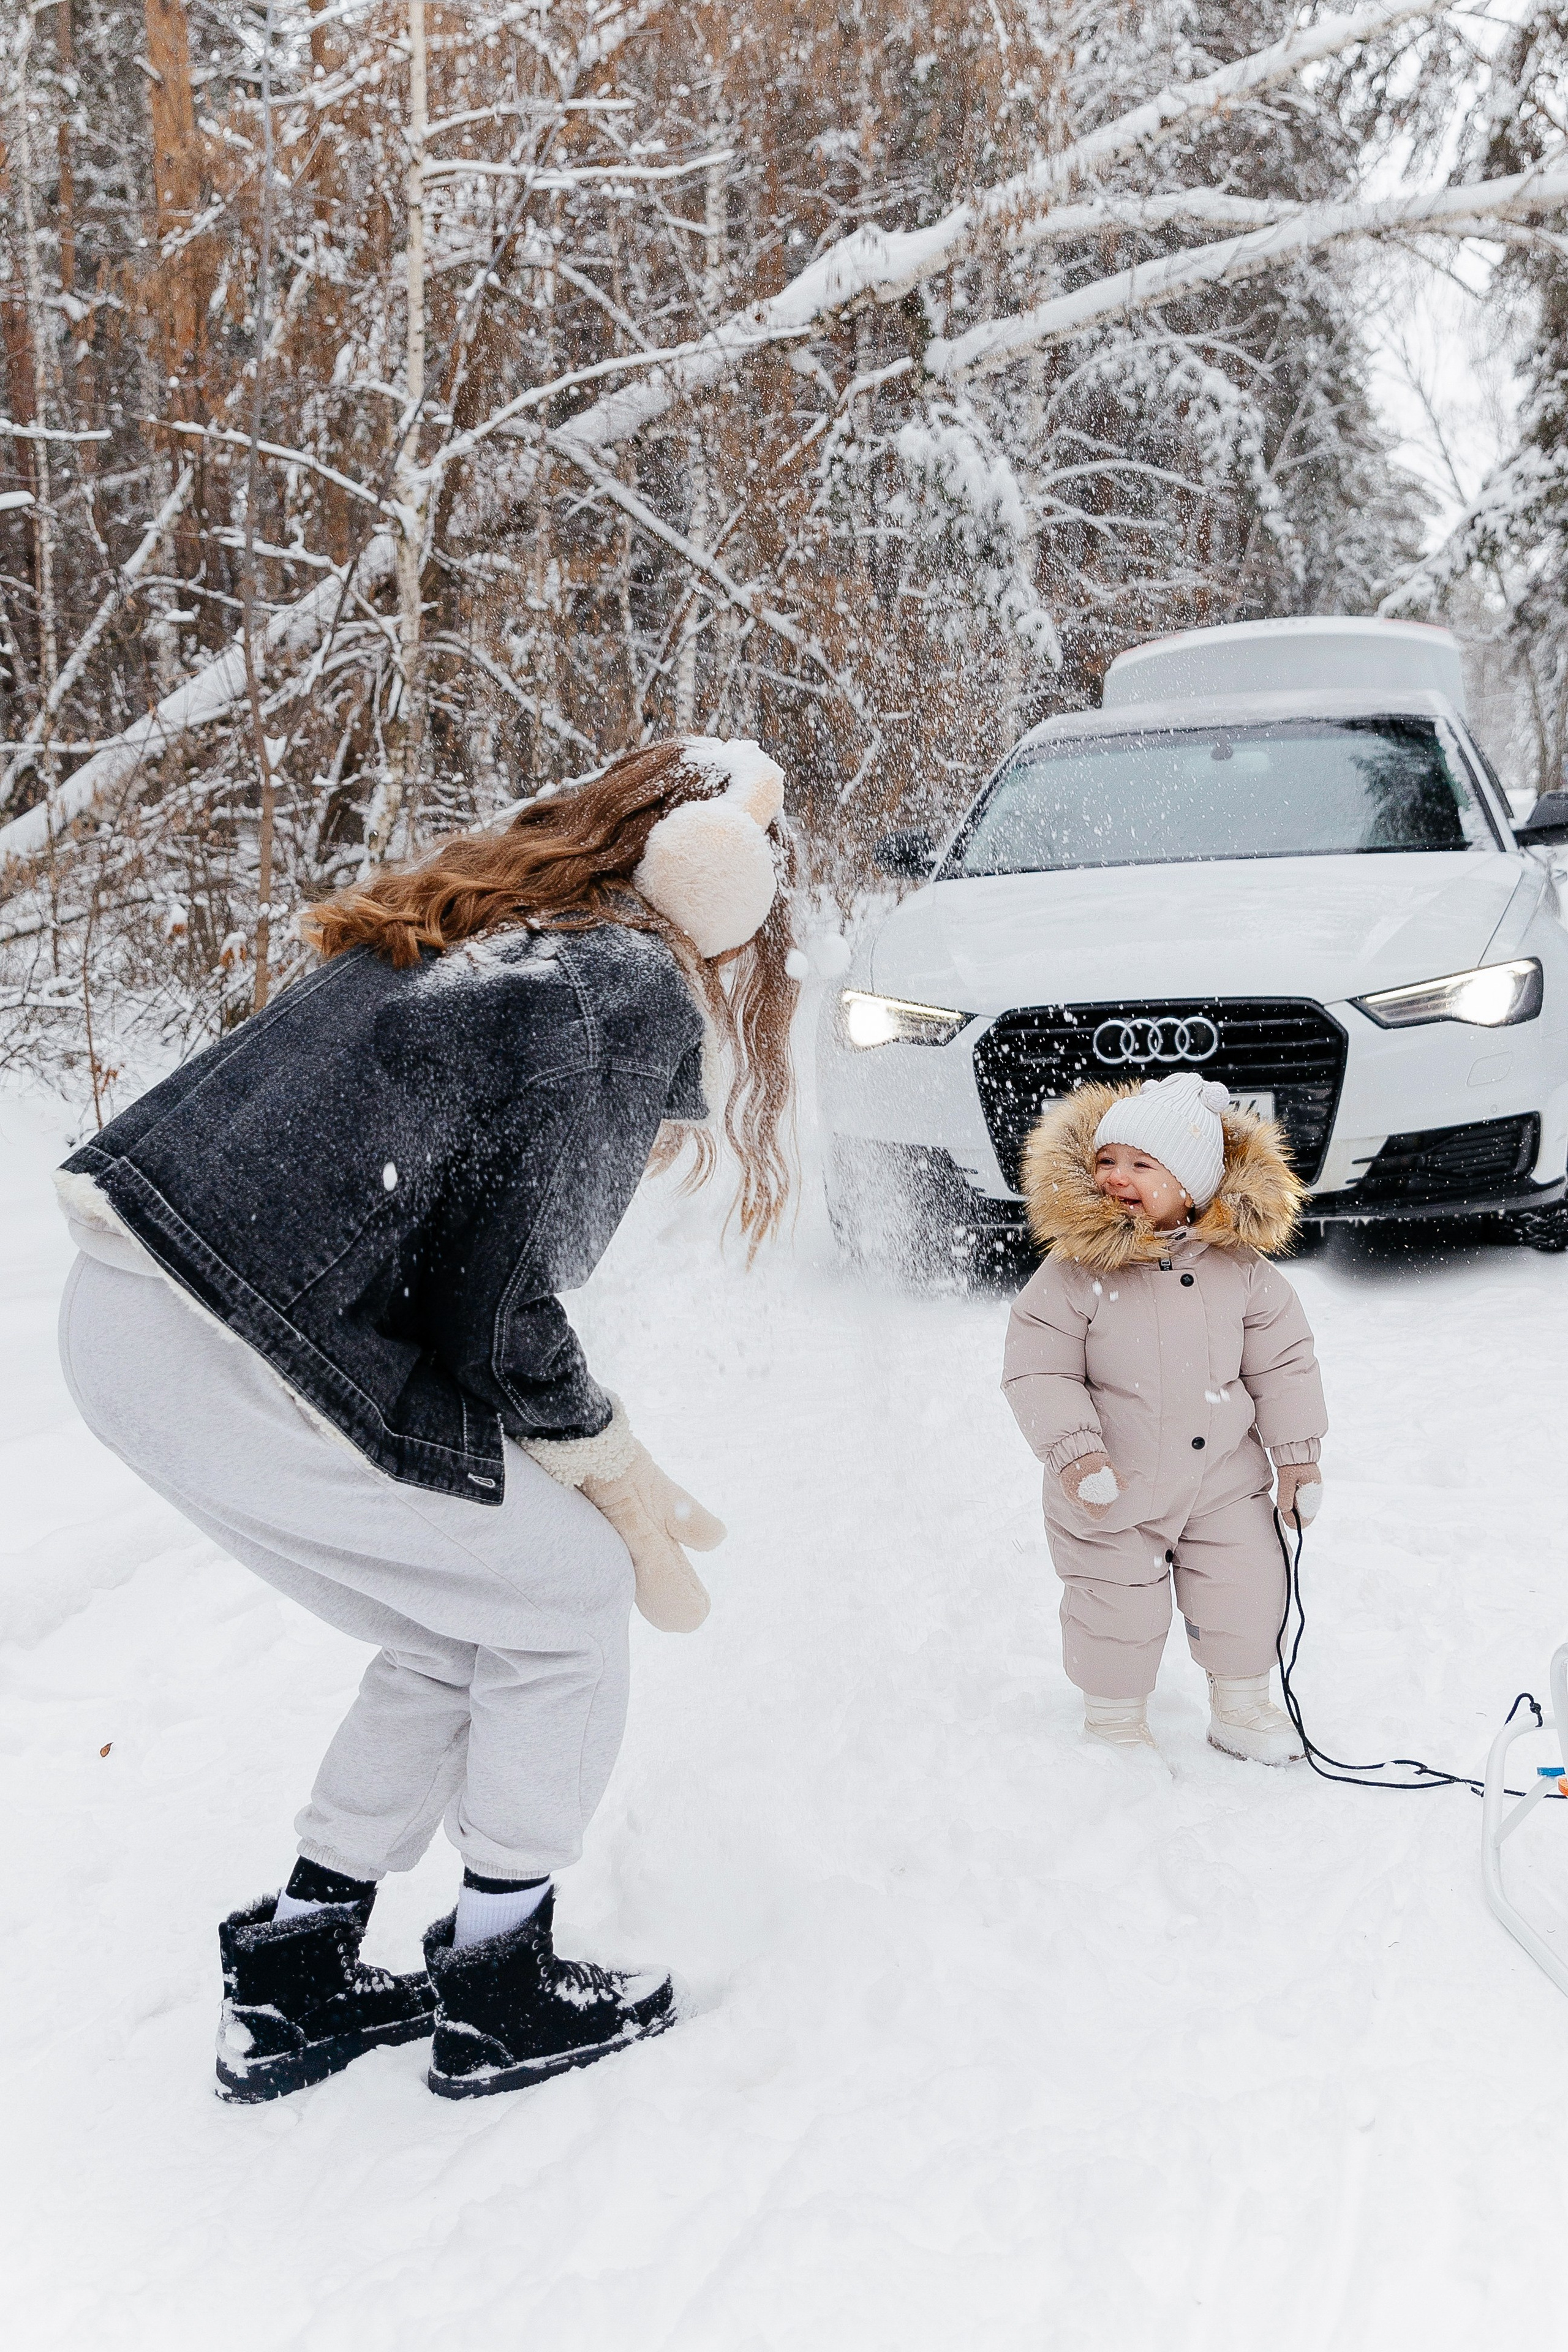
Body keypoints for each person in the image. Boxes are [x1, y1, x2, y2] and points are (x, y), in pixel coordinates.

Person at [53, 738, 796, 2103]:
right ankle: (502, 1988)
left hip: (131, 1315)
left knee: (465, 1613)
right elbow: (498, 1305)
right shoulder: (611, 978)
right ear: (717, 880)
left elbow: (451, 1278)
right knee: (566, 1592)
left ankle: (298, 1975)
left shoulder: (498, 922)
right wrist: (608, 1468)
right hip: (231, 1334)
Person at [1001, 1071, 1325, 1765]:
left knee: (1245, 1584)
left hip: (1223, 1481)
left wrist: (1297, 1457)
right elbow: (1039, 1368)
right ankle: (1114, 1722)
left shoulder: (1241, 1271)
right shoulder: (1072, 1272)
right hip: (1110, 1484)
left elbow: (1285, 1363)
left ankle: (1242, 1706)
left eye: (1142, 1165)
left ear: (1194, 1187)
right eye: (1107, 1159)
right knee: (1114, 1604)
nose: (1117, 1176)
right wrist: (1076, 1453)